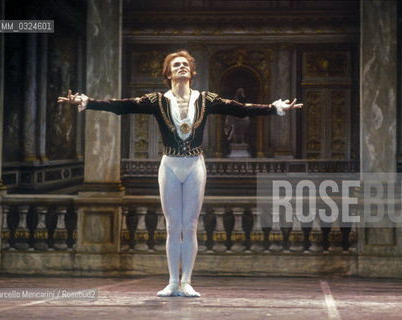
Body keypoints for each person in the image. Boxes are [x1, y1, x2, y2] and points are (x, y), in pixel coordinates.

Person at [58, 50, 302, 297]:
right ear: (168, 73)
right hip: (170, 165)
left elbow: (239, 109)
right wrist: (88, 102)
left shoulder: (206, 99)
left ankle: (187, 281)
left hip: (195, 163)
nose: (182, 66)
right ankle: (173, 281)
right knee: (174, 226)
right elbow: (123, 106)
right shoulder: (157, 101)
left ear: (192, 72)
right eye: (177, 64)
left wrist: (273, 108)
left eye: (186, 64)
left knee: (191, 224)